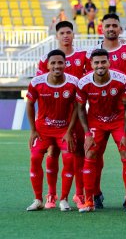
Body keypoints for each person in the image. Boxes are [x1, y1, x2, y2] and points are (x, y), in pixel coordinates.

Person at [85, 13, 126, 208]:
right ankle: (94, 194)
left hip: (122, 115)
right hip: (96, 116)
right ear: (102, 28)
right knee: (94, 156)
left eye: (115, 25)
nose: (111, 28)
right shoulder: (92, 53)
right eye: (108, 25)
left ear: (120, 28)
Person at [76, 49, 126, 213]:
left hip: (118, 121)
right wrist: (87, 134)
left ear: (109, 63)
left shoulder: (122, 79)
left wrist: (125, 133)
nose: (100, 65)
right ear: (91, 64)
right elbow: (80, 109)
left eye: (103, 62)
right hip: (96, 121)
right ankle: (89, 201)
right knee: (90, 155)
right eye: (96, 62)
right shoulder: (83, 83)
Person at [36, 21, 88, 210]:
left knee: (79, 153)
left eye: (69, 32)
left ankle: (79, 194)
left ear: (73, 35)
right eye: (62, 33)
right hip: (54, 117)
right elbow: (41, 85)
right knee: (53, 152)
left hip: (77, 113)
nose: (66, 35)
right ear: (57, 36)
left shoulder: (83, 56)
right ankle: (51, 194)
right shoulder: (45, 59)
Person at [26, 49, 78, 212]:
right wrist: (33, 130)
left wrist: (69, 131)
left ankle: (63, 199)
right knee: (35, 158)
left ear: (65, 64)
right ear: (47, 65)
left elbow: (77, 106)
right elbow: (29, 104)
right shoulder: (36, 82)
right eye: (53, 63)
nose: (57, 66)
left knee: (69, 159)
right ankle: (38, 199)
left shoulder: (73, 82)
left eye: (60, 62)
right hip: (43, 130)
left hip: (64, 130)